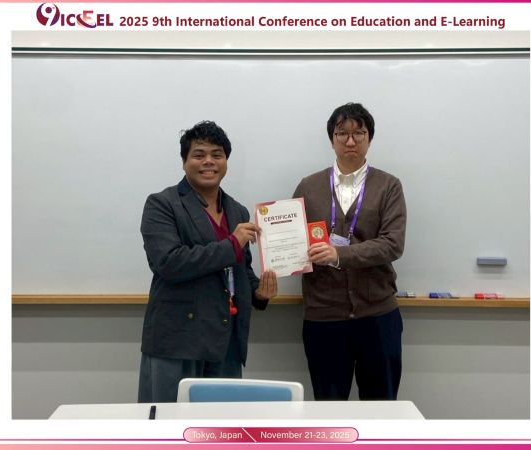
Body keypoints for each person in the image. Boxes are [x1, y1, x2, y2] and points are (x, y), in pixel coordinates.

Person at [138, 120, 277, 403]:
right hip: (178, 340)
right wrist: (232, 243)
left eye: (217, 155)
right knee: (170, 422)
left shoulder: (237, 210)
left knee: (222, 423)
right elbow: (169, 263)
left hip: (226, 339)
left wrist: (258, 292)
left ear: (226, 161)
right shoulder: (162, 204)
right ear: (184, 162)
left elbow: (240, 268)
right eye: (199, 155)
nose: (209, 162)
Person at [293, 103, 407, 400]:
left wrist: (339, 254)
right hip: (324, 317)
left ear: (370, 138)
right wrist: (275, 247)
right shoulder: (308, 186)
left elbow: (392, 243)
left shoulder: (389, 186)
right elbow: (293, 239)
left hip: (377, 315)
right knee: (329, 407)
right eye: (342, 133)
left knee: (381, 406)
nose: (350, 141)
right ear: (332, 139)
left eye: (359, 133)